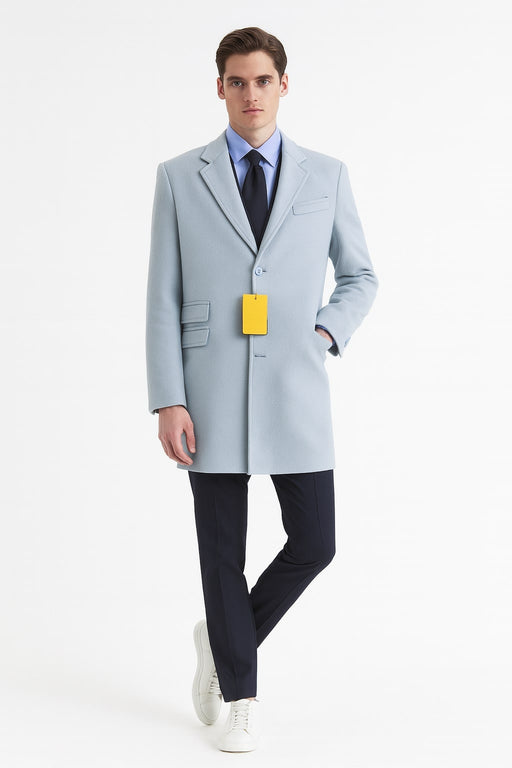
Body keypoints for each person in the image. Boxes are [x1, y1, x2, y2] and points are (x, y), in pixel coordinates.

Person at [145, 26, 378, 752]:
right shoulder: (180, 177)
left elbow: (360, 275)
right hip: (208, 391)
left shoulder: (325, 174)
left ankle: (220, 641)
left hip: (294, 387)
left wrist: (325, 334)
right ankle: (240, 697)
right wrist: (168, 397)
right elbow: (162, 295)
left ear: (284, 85)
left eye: (263, 80)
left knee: (315, 541)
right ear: (220, 87)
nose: (251, 94)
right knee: (222, 554)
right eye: (238, 82)